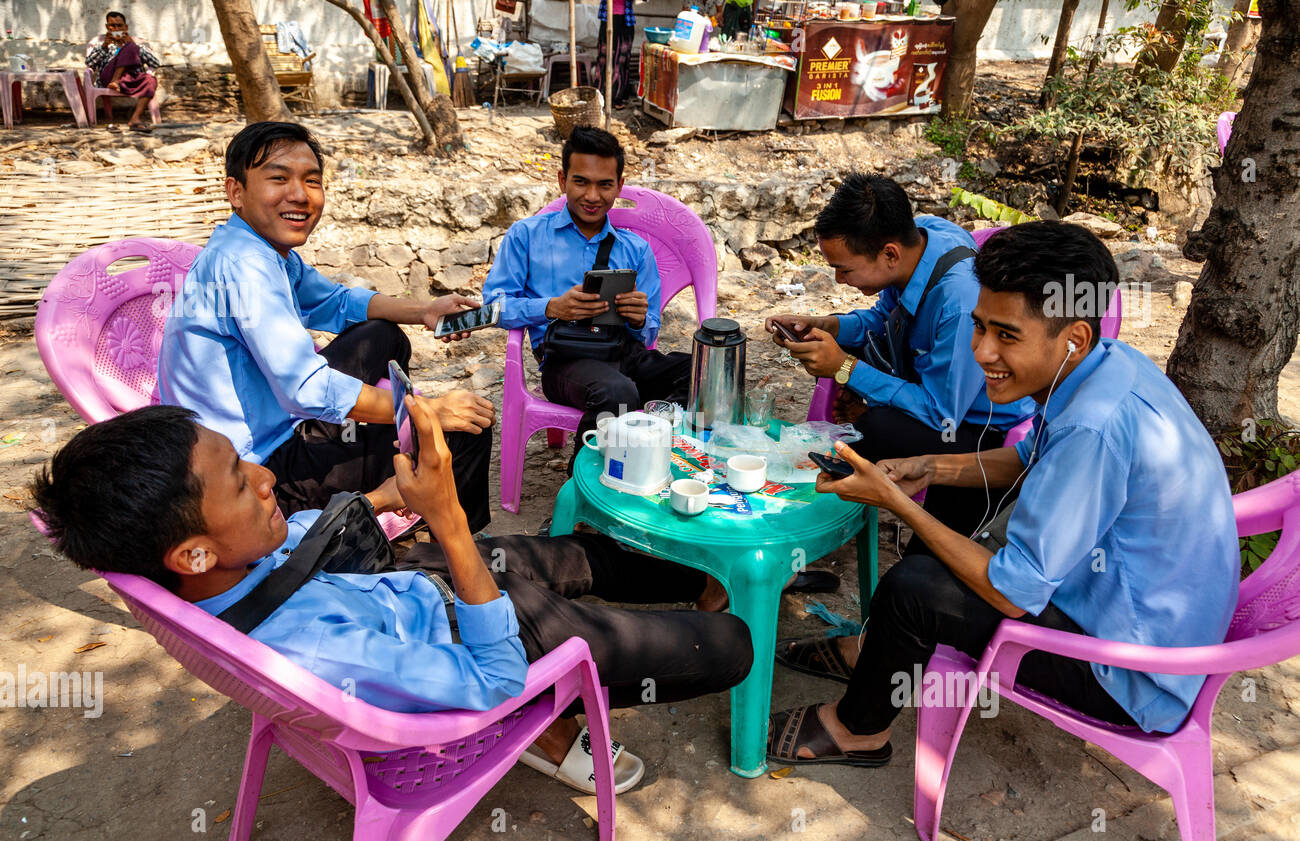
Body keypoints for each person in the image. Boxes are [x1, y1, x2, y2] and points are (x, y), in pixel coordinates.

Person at [31, 401, 752, 794]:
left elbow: (306, 539)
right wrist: (446, 519)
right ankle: (553, 720)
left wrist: (388, 499)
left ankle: (701, 581)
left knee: (589, 557)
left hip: (410, 580)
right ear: (191, 551)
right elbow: (493, 678)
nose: (262, 474)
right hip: (469, 633)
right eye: (236, 480)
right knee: (731, 650)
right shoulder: (313, 649)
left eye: (239, 454)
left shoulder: (210, 568)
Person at [768, 221, 1239, 766]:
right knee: (956, 512)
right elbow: (1024, 456)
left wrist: (895, 502)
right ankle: (873, 652)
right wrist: (930, 466)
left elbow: (1013, 593)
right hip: (1140, 619)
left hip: (1133, 679)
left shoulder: (1094, 426)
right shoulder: (1108, 364)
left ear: (1074, 337)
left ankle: (858, 732)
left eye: (1007, 336)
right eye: (979, 328)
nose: (983, 352)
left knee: (914, 587)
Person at [157, 121, 496, 530]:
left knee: (381, 335)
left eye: (311, 180)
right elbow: (307, 389)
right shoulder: (244, 265)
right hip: (258, 475)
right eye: (278, 178)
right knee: (462, 432)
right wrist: (427, 411)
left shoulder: (258, 249)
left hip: (277, 433)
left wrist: (425, 311)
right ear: (236, 192)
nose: (299, 195)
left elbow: (335, 301)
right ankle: (442, 549)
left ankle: (406, 493)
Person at [764, 173, 1034, 540]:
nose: (840, 281)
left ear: (889, 253)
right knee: (831, 348)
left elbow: (943, 414)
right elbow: (884, 318)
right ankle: (852, 464)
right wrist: (827, 325)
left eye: (845, 269)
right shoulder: (922, 236)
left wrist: (845, 368)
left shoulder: (959, 303)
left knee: (878, 427)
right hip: (925, 379)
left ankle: (832, 515)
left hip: (974, 425)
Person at [482, 125, 690, 468]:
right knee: (618, 392)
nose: (592, 195)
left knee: (703, 370)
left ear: (619, 186)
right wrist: (551, 307)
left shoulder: (635, 249)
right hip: (565, 361)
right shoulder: (527, 236)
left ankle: (654, 451)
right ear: (562, 180)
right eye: (581, 182)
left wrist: (640, 319)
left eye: (605, 184)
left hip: (624, 353)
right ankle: (581, 499)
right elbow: (492, 307)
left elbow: (649, 330)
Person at [85, 10, 160, 131]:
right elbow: (89, 64)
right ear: (107, 27)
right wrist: (104, 47)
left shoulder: (135, 45)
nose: (116, 29)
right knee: (130, 47)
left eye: (119, 26)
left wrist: (132, 45)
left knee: (151, 80)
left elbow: (155, 63)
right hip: (108, 80)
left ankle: (135, 118)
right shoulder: (103, 45)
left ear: (125, 27)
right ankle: (115, 79)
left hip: (130, 79)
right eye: (112, 26)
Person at [596, 0, 637, 107]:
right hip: (608, 20)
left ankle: (617, 97)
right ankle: (600, 96)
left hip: (625, 21)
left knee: (621, 61)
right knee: (604, 59)